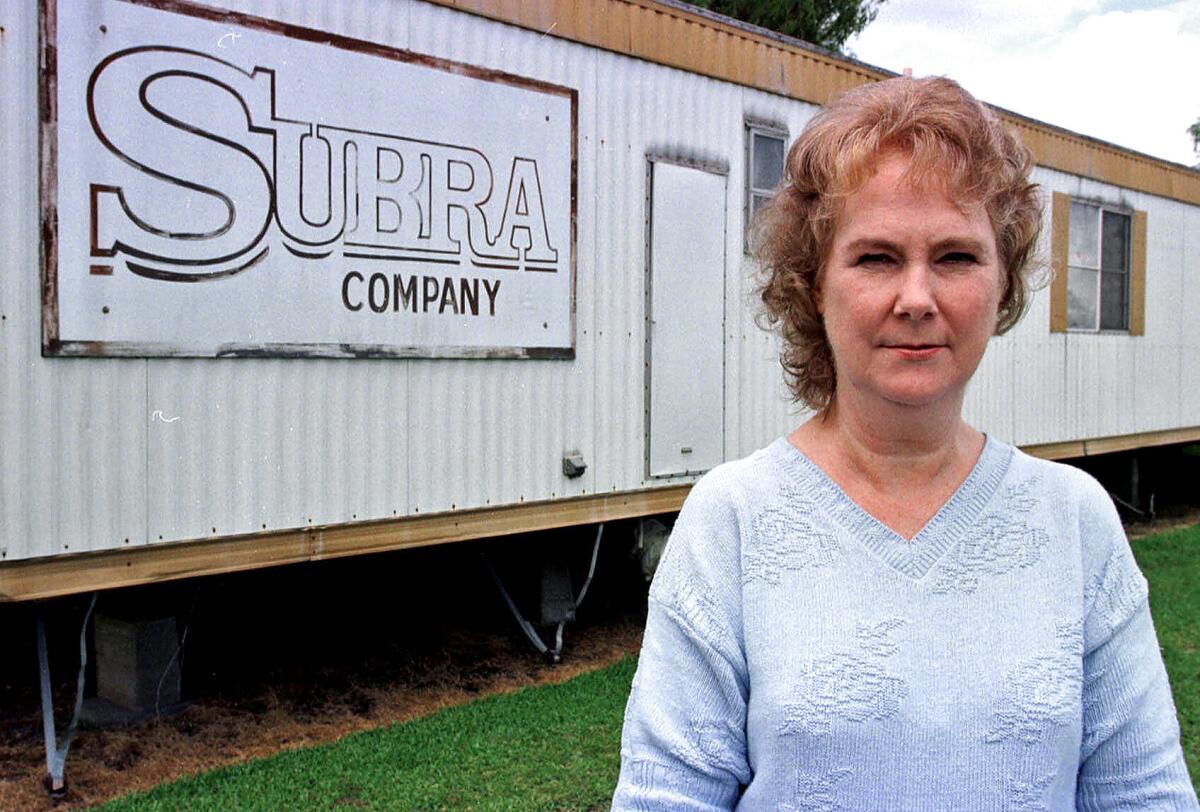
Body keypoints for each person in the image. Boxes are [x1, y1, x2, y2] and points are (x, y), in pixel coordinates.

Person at [612, 76, 1198, 810]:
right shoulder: (732, 520)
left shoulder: (1074, 523)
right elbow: (667, 798)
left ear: (1003, 283)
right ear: (813, 284)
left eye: (955, 257)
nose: (917, 298)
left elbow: (1144, 795)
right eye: (876, 258)